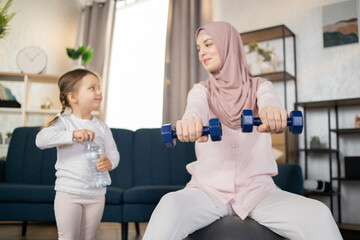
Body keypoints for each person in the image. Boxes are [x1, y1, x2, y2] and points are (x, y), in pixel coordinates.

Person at [143, 22, 342, 240]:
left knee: (319, 214)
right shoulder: (200, 91)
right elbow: (194, 110)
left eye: (208, 44)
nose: (202, 53)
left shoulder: (261, 86)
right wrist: (190, 122)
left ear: (229, 44)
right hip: (207, 191)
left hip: (259, 192)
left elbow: (269, 102)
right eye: (199, 48)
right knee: (169, 204)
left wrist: (271, 113)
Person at [36, 68, 120, 240]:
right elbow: (41, 140)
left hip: (96, 194)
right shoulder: (64, 123)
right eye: (92, 88)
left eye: (99, 88)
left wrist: (109, 162)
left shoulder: (102, 127)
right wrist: (73, 135)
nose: (99, 92)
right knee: (68, 237)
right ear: (73, 97)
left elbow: (114, 154)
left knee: (88, 238)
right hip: (69, 192)